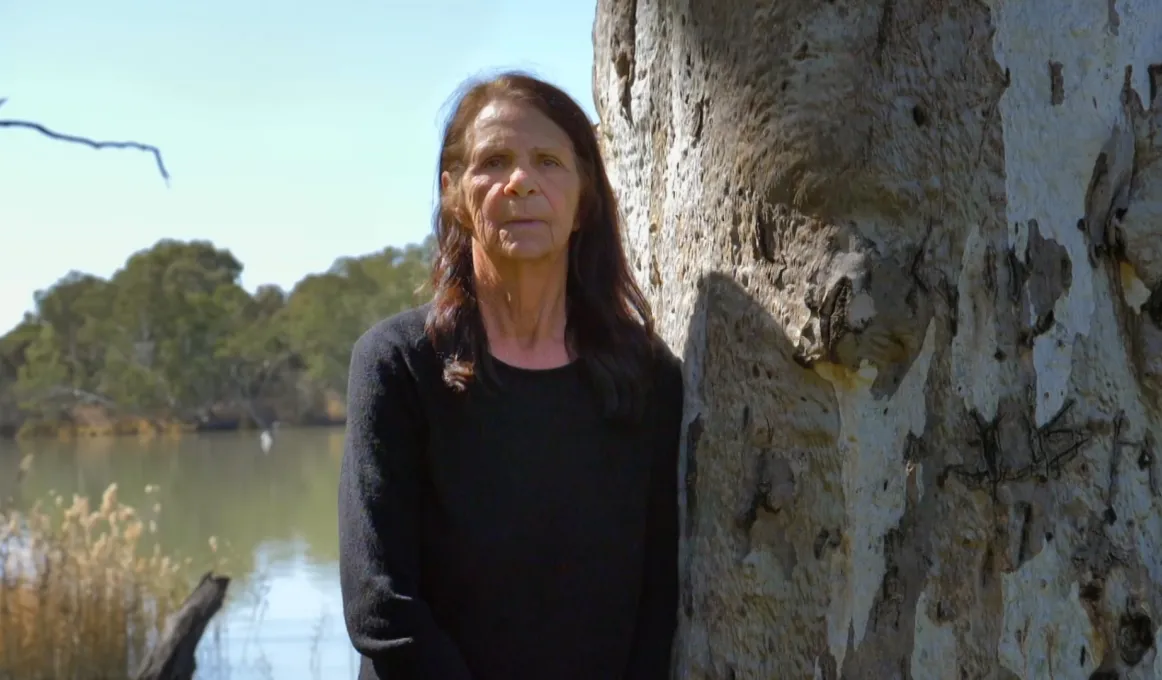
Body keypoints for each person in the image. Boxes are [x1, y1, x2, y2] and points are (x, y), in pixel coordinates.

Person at [337, 71, 683, 680]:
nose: (520, 182)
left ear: (585, 202)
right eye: (493, 161)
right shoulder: (397, 366)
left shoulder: (648, 377)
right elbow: (380, 608)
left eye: (548, 161)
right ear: (453, 194)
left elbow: (658, 601)